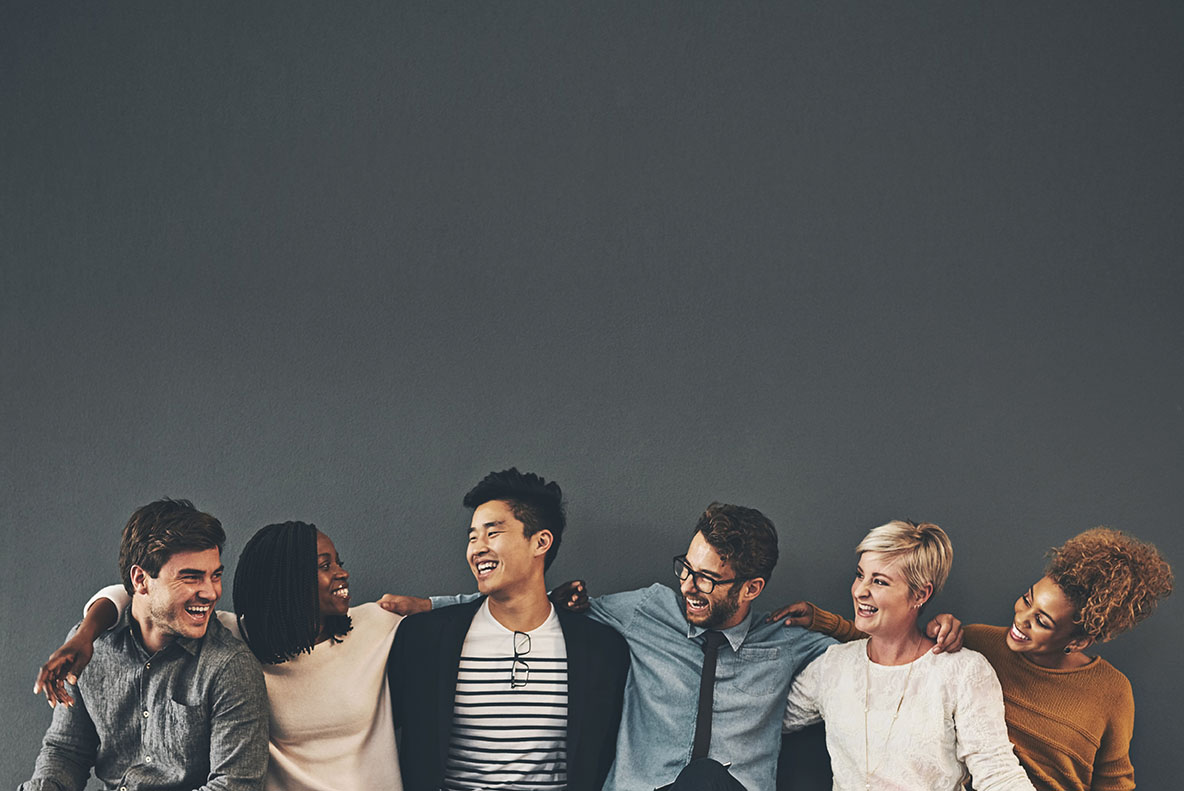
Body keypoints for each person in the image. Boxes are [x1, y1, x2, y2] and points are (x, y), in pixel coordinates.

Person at [386, 503, 950, 790]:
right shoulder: (643, 611)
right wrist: (438, 608)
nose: (689, 585)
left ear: (751, 588)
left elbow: (882, 646)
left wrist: (936, 630)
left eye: (708, 578)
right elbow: (533, 604)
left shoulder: (789, 643)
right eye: (687, 567)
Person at [775, 527, 1173, 791]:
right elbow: (884, 653)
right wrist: (828, 623)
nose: (1020, 620)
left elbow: (1110, 782)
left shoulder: (1109, 690)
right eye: (1027, 600)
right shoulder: (980, 642)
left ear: (1079, 638)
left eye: (1042, 621)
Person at [35, 520, 405, 790]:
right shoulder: (235, 632)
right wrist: (87, 633)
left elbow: (463, 614)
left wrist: (432, 603)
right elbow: (139, 599)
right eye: (324, 566)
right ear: (287, 580)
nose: (343, 573)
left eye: (215, 577)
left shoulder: (377, 623)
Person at [386, 468, 630, 791]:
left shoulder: (601, 651)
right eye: (472, 537)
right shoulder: (424, 640)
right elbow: (367, 735)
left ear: (540, 542)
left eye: (492, 533)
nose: (477, 548)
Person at [21, 499, 269, 791]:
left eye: (215, 575)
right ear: (140, 580)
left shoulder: (230, 667)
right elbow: (66, 751)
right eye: (191, 577)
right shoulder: (92, 648)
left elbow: (235, 786)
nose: (211, 592)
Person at [781, 520, 1035, 791]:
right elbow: (767, 719)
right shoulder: (832, 665)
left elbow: (997, 773)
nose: (859, 591)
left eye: (879, 581)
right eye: (860, 575)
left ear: (920, 594)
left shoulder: (963, 672)